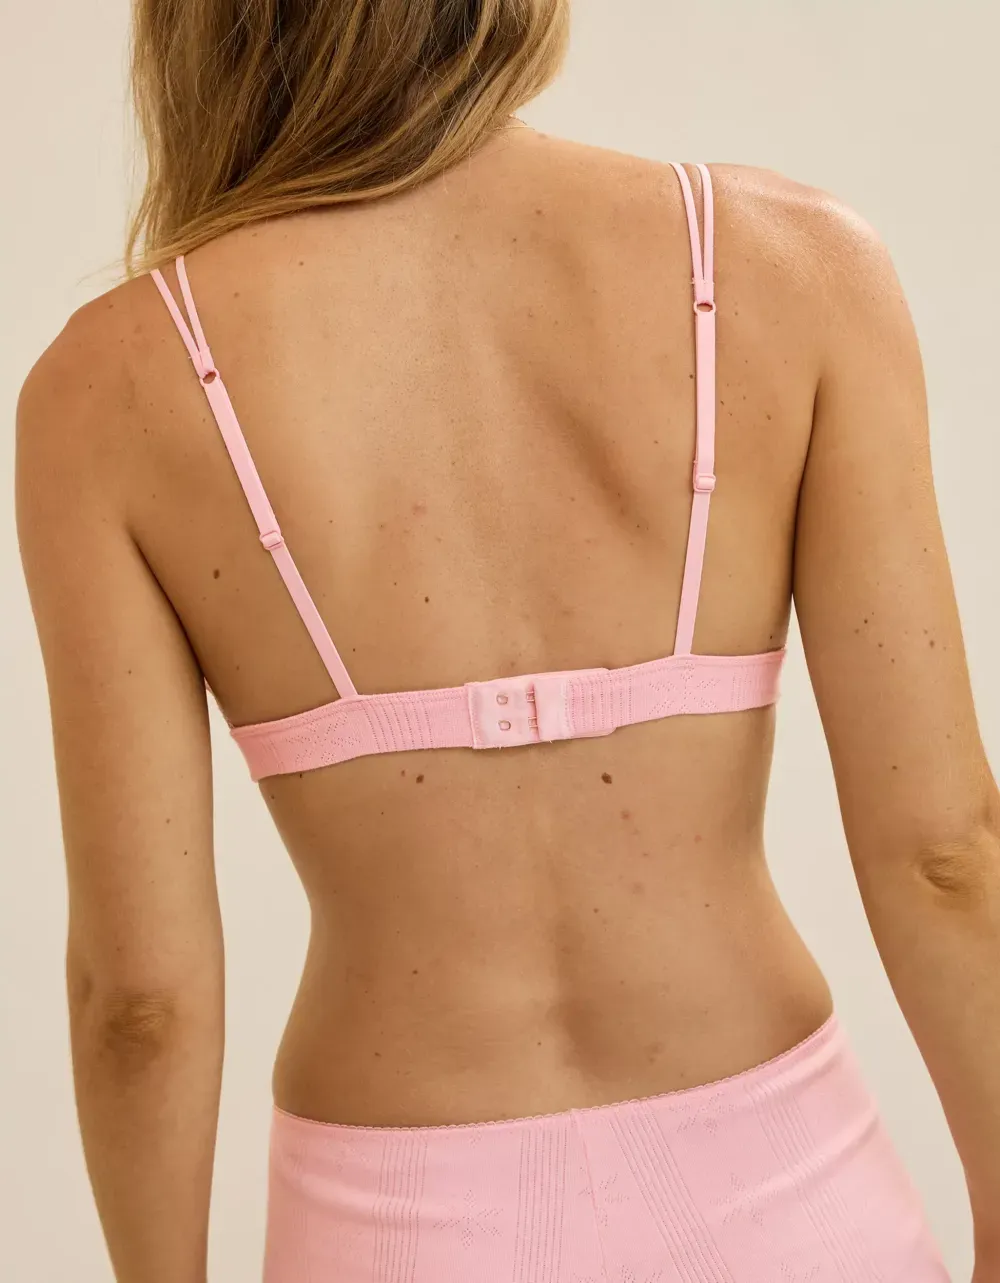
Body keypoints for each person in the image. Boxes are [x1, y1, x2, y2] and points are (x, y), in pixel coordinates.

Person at [14, 2, 1000, 1280]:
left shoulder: (104, 392)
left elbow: (138, 1002)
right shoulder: (795, 267)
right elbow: (944, 851)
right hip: (784, 1184)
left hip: (394, 1217)